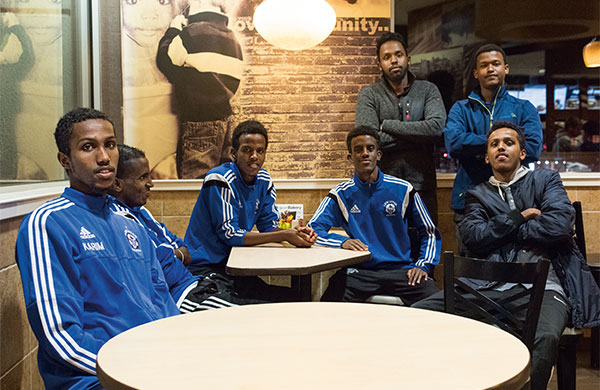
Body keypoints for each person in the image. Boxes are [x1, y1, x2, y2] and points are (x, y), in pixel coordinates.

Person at [414, 122, 600, 390]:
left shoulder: (546, 180)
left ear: (522, 153)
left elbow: (558, 226)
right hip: (487, 286)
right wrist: (520, 216)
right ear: (487, 156)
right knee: (421, 314)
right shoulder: (477, 195)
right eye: (494, 144)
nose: (501, 146)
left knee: (545, 336)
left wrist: (503, 230)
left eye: (509, 142)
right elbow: (473, 238)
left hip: (545, 286)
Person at [15, 108, 181, 390]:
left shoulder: (129, 219)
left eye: (110, 145)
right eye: (88, 147)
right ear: (65, 160)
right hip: (97, 377)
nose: (104, 157)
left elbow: (162, 302)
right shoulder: (47, 223)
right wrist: (132, 368)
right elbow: (60, 337)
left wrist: (183, 351)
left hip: (156, 364)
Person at [184, 120, 317, 301]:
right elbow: (230, 235)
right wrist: (285, 235)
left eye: (260, 151)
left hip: (233, 267)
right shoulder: (220, 179)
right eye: (247, 150)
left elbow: (268, 227)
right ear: (233, 153)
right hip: (207, 267)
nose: (254, 156)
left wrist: (295, 233)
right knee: (262, 307)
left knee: (297, 298)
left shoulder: (264, 180)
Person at [307, 126, 441, 304]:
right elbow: (312, 231)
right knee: (328, 307)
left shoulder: (403, 189)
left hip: (402, 271)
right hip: (359, 273)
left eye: (370, 149)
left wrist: (423, 265)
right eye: (358, 150)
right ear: (350, 157)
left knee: (441, 302)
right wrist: (342, 242)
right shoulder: (340, 194)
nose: (365, 153)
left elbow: (429, 231)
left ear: (378, 155)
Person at [109, 144, 250, 311]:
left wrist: (172, 254)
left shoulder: (142, 212)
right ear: (117, 184)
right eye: (143, 178)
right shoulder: (119, 220)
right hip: (180, 298)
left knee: (278, 301)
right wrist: (174, 254)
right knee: (270, 316)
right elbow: (162, 272)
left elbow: (184, 250)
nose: (151, 183)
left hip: (197, 283)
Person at [443, 43, 543, 254]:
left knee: (517, 265)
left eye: (496, 64)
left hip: (515, 200)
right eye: (484, 65)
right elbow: (454, 144)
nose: (490, 69)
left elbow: (532, 148)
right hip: (469, 201)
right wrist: (501, 141)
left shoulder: (523, 107)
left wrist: (476, 147)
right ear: (476, 73)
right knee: (471, 269)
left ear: (506, 69)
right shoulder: (461, 109)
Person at [355, 32, 446, 223]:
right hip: (381, 186)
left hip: (423, 186)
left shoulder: (428, 90)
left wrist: (387, 126)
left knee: (425, 243)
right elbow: (368, 141)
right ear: (379, 64)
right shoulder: (369, 94)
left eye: (398, 54)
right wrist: (417, 137)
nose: (394, 60)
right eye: (387, 57)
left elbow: (435, 129)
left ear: (408, 59)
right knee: (385, 247)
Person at [157, 0, 243, 179]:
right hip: (224, 117)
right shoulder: (233, 39)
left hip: (199, 119)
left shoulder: (191, 33)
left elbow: (164, 59)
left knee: (195, 184)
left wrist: (174, 29)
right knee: (220, 182)